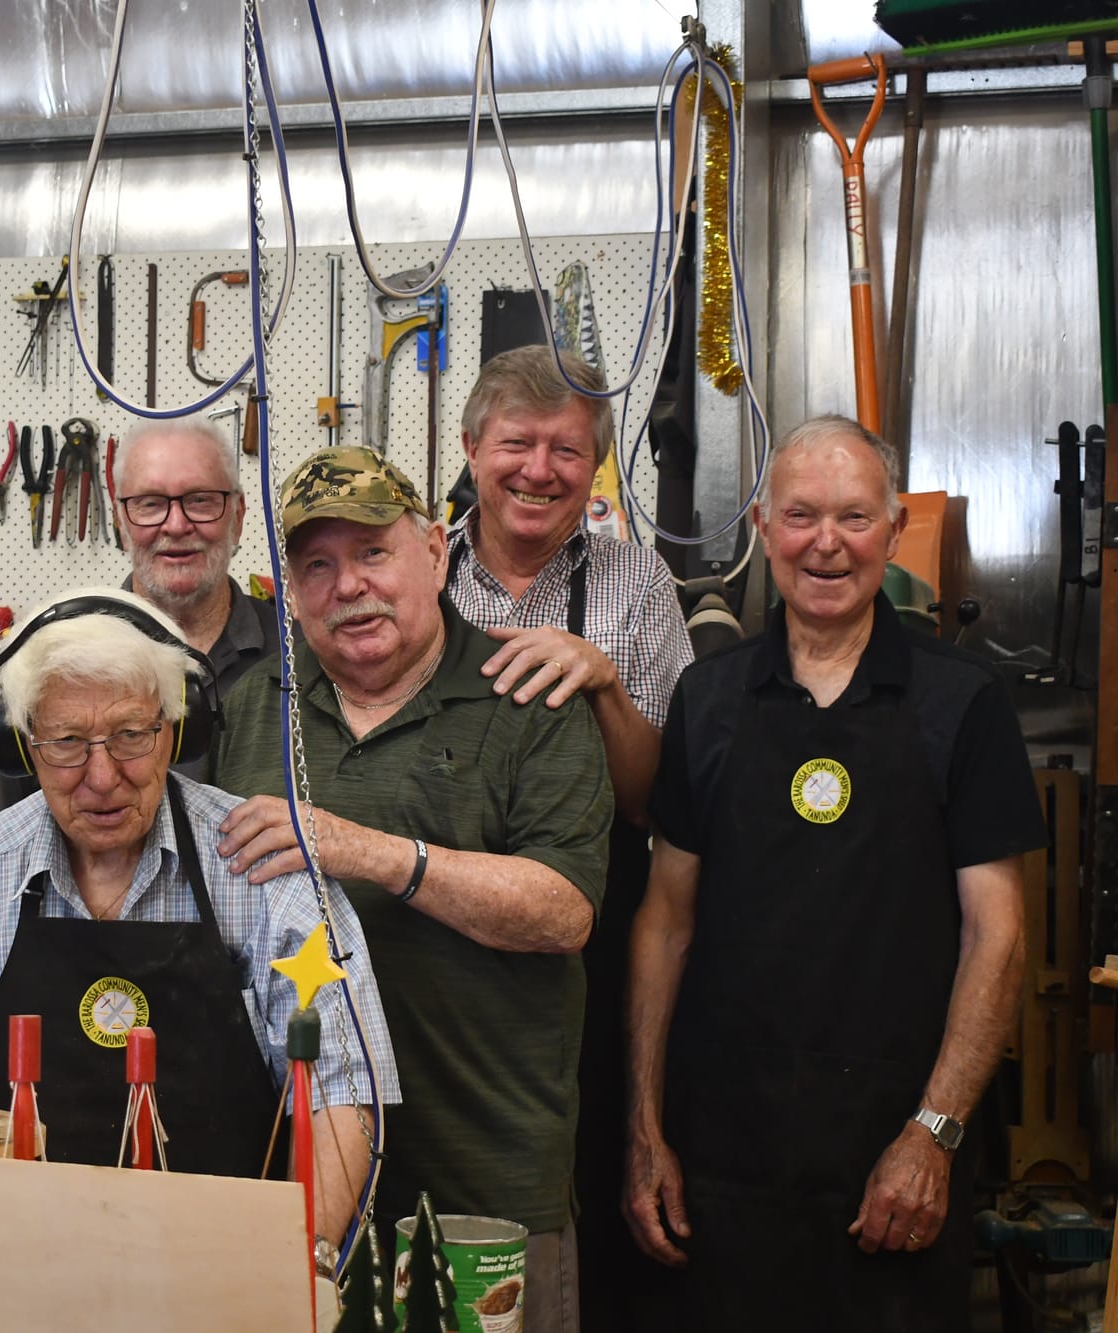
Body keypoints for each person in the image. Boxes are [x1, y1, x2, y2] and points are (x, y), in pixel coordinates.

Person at [623, 416, 1042, 1331]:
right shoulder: (709, 697)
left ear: (893, 528)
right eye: (801, 515)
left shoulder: (962, 702)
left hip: (892, 1162)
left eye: (853, 517)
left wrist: (934, 1133)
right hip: (722, 1166)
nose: (826, 543)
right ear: (763, 527)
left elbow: (999, 935)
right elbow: (665, 922)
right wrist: (645, 1129)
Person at [210, 445, 613, 1333]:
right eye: (318, 565)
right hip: (299, 1187)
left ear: (434, 552)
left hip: (485, 1186)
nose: (350, 586)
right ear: (289, 589)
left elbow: (565, 911)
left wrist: (373, 852)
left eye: (372, 552)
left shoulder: (526, 695)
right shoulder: (255, 704)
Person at [0, 588, 396, 1249]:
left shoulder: (271, 880)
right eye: (66, 741)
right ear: (22, 746)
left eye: (130, 736)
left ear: (176, 729)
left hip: (227, 1273)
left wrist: (296, 1270)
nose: (101, 777)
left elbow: (344, 1097)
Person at [450, 345, 691, 1324]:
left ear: (594, 467)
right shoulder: (414, 569)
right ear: (471, 447)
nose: (540, 470)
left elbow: (652, 802)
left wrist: (603, 682)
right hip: (437, 929)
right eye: (518, 443)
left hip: (585, 937)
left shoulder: (637, 583)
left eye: (568, 450)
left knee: (577, 1177)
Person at [0, 420, 277, 824]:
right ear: (120, 521)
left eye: (200, 500)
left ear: (238, 514)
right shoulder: (52, 663)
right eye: (150, 503)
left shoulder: (301, 659)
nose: (176, 525)